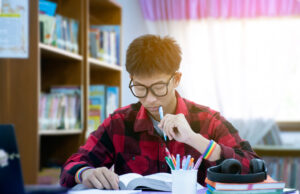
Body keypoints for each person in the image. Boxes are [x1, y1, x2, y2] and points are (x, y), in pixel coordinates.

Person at [60, 35, 259, 190]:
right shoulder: (119, 122)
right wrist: (84, 173)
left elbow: (253, 166)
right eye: (140, 88)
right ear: (131, 78)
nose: (150, 99)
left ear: (176, 79)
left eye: (158, 87)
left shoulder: (208, 120)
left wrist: (195, 140)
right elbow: (70, 167)